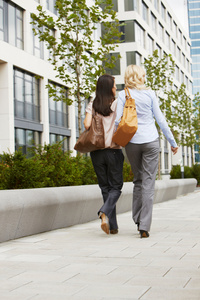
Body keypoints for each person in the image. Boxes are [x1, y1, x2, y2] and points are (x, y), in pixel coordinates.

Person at [115, 65, 178, 238]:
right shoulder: (150, 94)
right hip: (150, 141)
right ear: (138, 77)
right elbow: (161, 120)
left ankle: (137, 218)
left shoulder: (123, 94)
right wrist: (172, 142)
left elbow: (118, 121)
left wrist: (117, 141)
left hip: (132, 142)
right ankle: (144, 225)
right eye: (143, 75)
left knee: (138, 180)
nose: (144, 78)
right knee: (149, 183)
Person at [84, 74, 124, 235]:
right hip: (113, 150)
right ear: (109, 87)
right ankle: (104, 212)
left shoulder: (93, 103)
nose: (115, 88)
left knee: (105, 187)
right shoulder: (117, 103)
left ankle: (112, 226)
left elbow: (87, 124)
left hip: (96, 152)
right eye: (114, 85)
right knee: (116, 187)